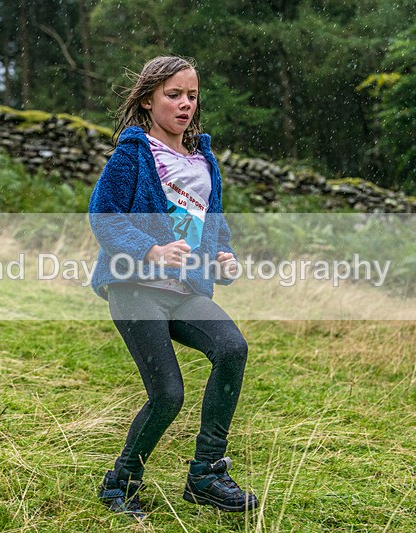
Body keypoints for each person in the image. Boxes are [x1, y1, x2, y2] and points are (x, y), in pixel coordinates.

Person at [88, 55, 258, 521]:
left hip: (184, 290)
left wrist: (223, 258)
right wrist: (150, 250)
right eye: (174, 94)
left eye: (192, 96)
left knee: (232, 348)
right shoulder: (134, 153)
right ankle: (120, 484)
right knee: (168, 394)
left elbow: (214, 225)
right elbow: (103, 215)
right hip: (134, 286)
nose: (185, 104)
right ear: (148, 99)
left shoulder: (204, 160)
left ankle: (206, 474)